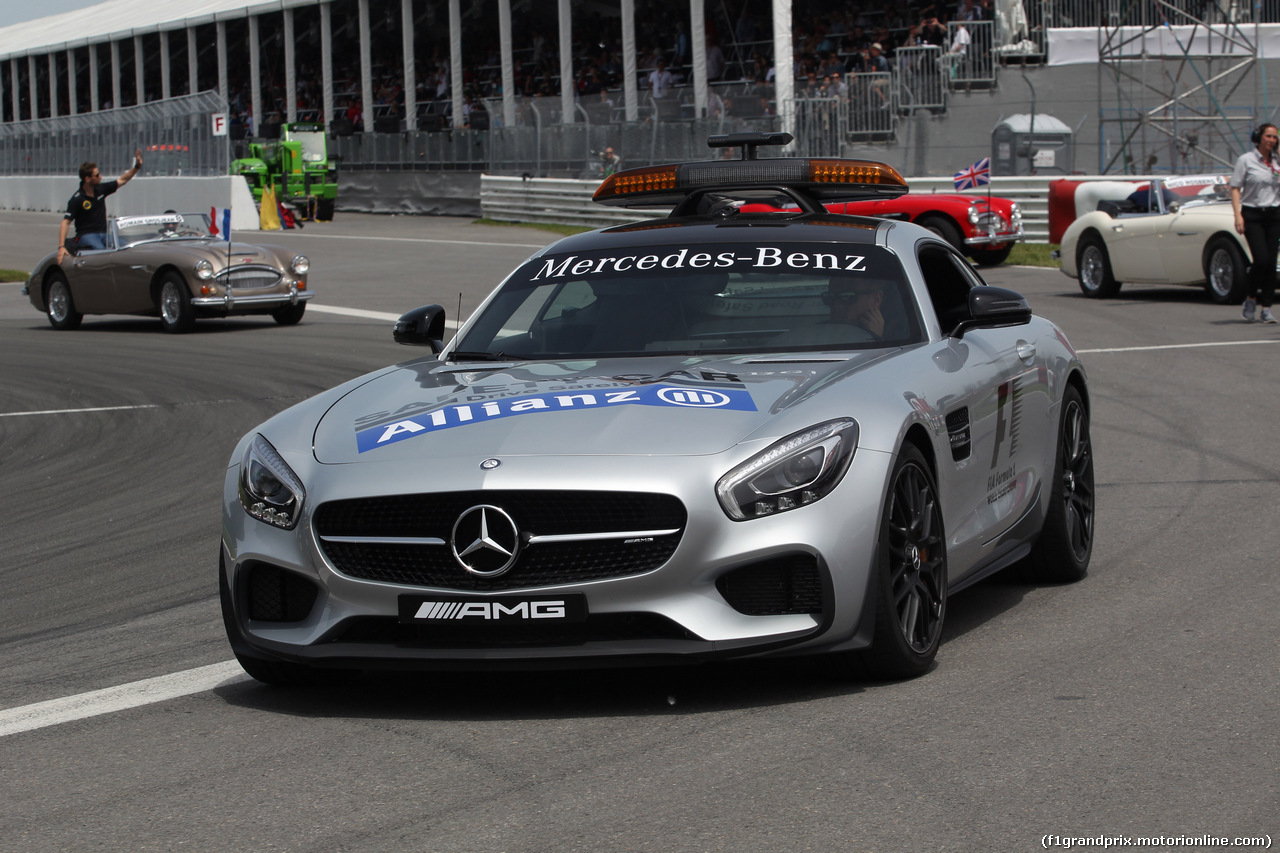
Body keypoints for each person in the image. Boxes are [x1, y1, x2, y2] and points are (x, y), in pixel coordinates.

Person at [1230, 123, 1280, 323]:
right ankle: (1251, 297)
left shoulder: (1277, 161)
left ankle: (1266, 308)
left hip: (1275, 214)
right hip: (1253, 214)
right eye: (1268, 136)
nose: (1272, 140)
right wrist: (1237, 215)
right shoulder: (1246, 160)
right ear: (1258, 138)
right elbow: (1235, 188)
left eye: (1275, 137)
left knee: (1271, 263)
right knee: (1261, 260)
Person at [56, 149, 142, 265]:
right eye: (97, 175)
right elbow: (65, 222)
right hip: (86, 235)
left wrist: (136, 167)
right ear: (87, 179)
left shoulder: (101, 190)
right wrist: (61, 247)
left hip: (104, 234)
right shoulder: (77, 199)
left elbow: (122, 180)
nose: (100, 176)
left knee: (126, 247)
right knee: (102, 251)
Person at [822, 276, 887, 338]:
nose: (836, 305)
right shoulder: (817, 335)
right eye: (830, 297)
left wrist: (874, 338)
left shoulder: (894, 341)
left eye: (847, 297)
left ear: (876, 299)